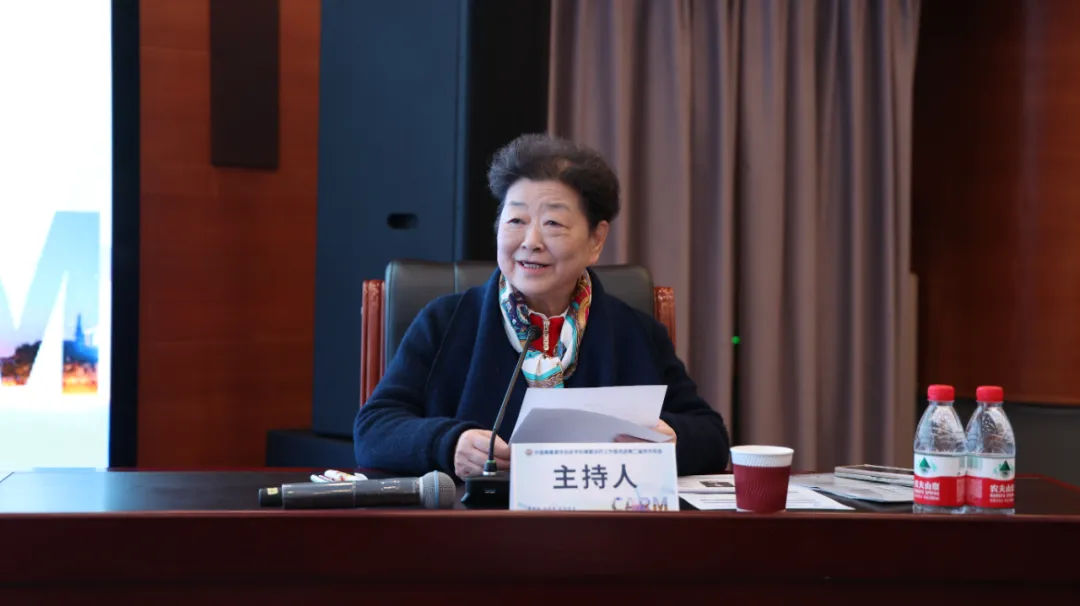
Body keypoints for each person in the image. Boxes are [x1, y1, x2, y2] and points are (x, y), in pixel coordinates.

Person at [353, 133, 730, 480]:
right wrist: (448, 443)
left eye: (553, 223)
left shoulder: (637, 332)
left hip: (601, 521)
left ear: (596, 241)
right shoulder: (444, 321)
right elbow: (374, 429)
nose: (530, 241)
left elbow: (711, 435)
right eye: (516, 220)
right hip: (475, 524)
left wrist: (670, 439)